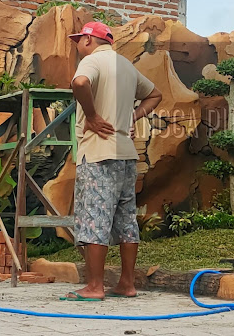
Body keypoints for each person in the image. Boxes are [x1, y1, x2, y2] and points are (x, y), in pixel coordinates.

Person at [61, 21, 162, 301]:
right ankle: (127, 284)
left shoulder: (92, 62)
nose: (78, 46)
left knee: (95, 218)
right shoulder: (126, 66)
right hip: (127, 156)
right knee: (126, 219)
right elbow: (155, 95)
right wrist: (133, 116)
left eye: (79, 40)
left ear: (89, 40)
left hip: (98, 154)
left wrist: (91, 116)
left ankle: (94, 287)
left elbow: (79, 83)